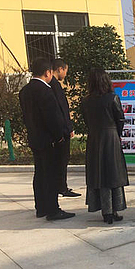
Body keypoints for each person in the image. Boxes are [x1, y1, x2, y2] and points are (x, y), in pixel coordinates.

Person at [19, 57, 75, 221]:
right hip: (49, 140)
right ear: (48, 72)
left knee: (40, 174)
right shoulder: (45, 90)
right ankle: (53, 210)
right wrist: (59, 136)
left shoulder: (24, 91)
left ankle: (41, 207)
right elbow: (53, 118)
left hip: (35, 138)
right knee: (51, 174)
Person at [82, 69, 128, 224]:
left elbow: (86, 121)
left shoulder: (86, 101)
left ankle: (105, 210)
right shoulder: (112, 98)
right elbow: (120, 118)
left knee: (99, 173)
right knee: (113, 173)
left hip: (94, 138)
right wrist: (117, 133)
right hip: (111, 136)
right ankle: (113, 209)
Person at [50, 59, 81, 198]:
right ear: (60, 69)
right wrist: (68, 128)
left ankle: (59, 186)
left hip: (59, 129)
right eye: (65, 71)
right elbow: (62, 109)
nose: (65, 74)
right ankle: (61, 187)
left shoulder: (51, 84)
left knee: (60, 160)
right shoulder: (54, 85)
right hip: (61, 130)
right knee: (62, 159)